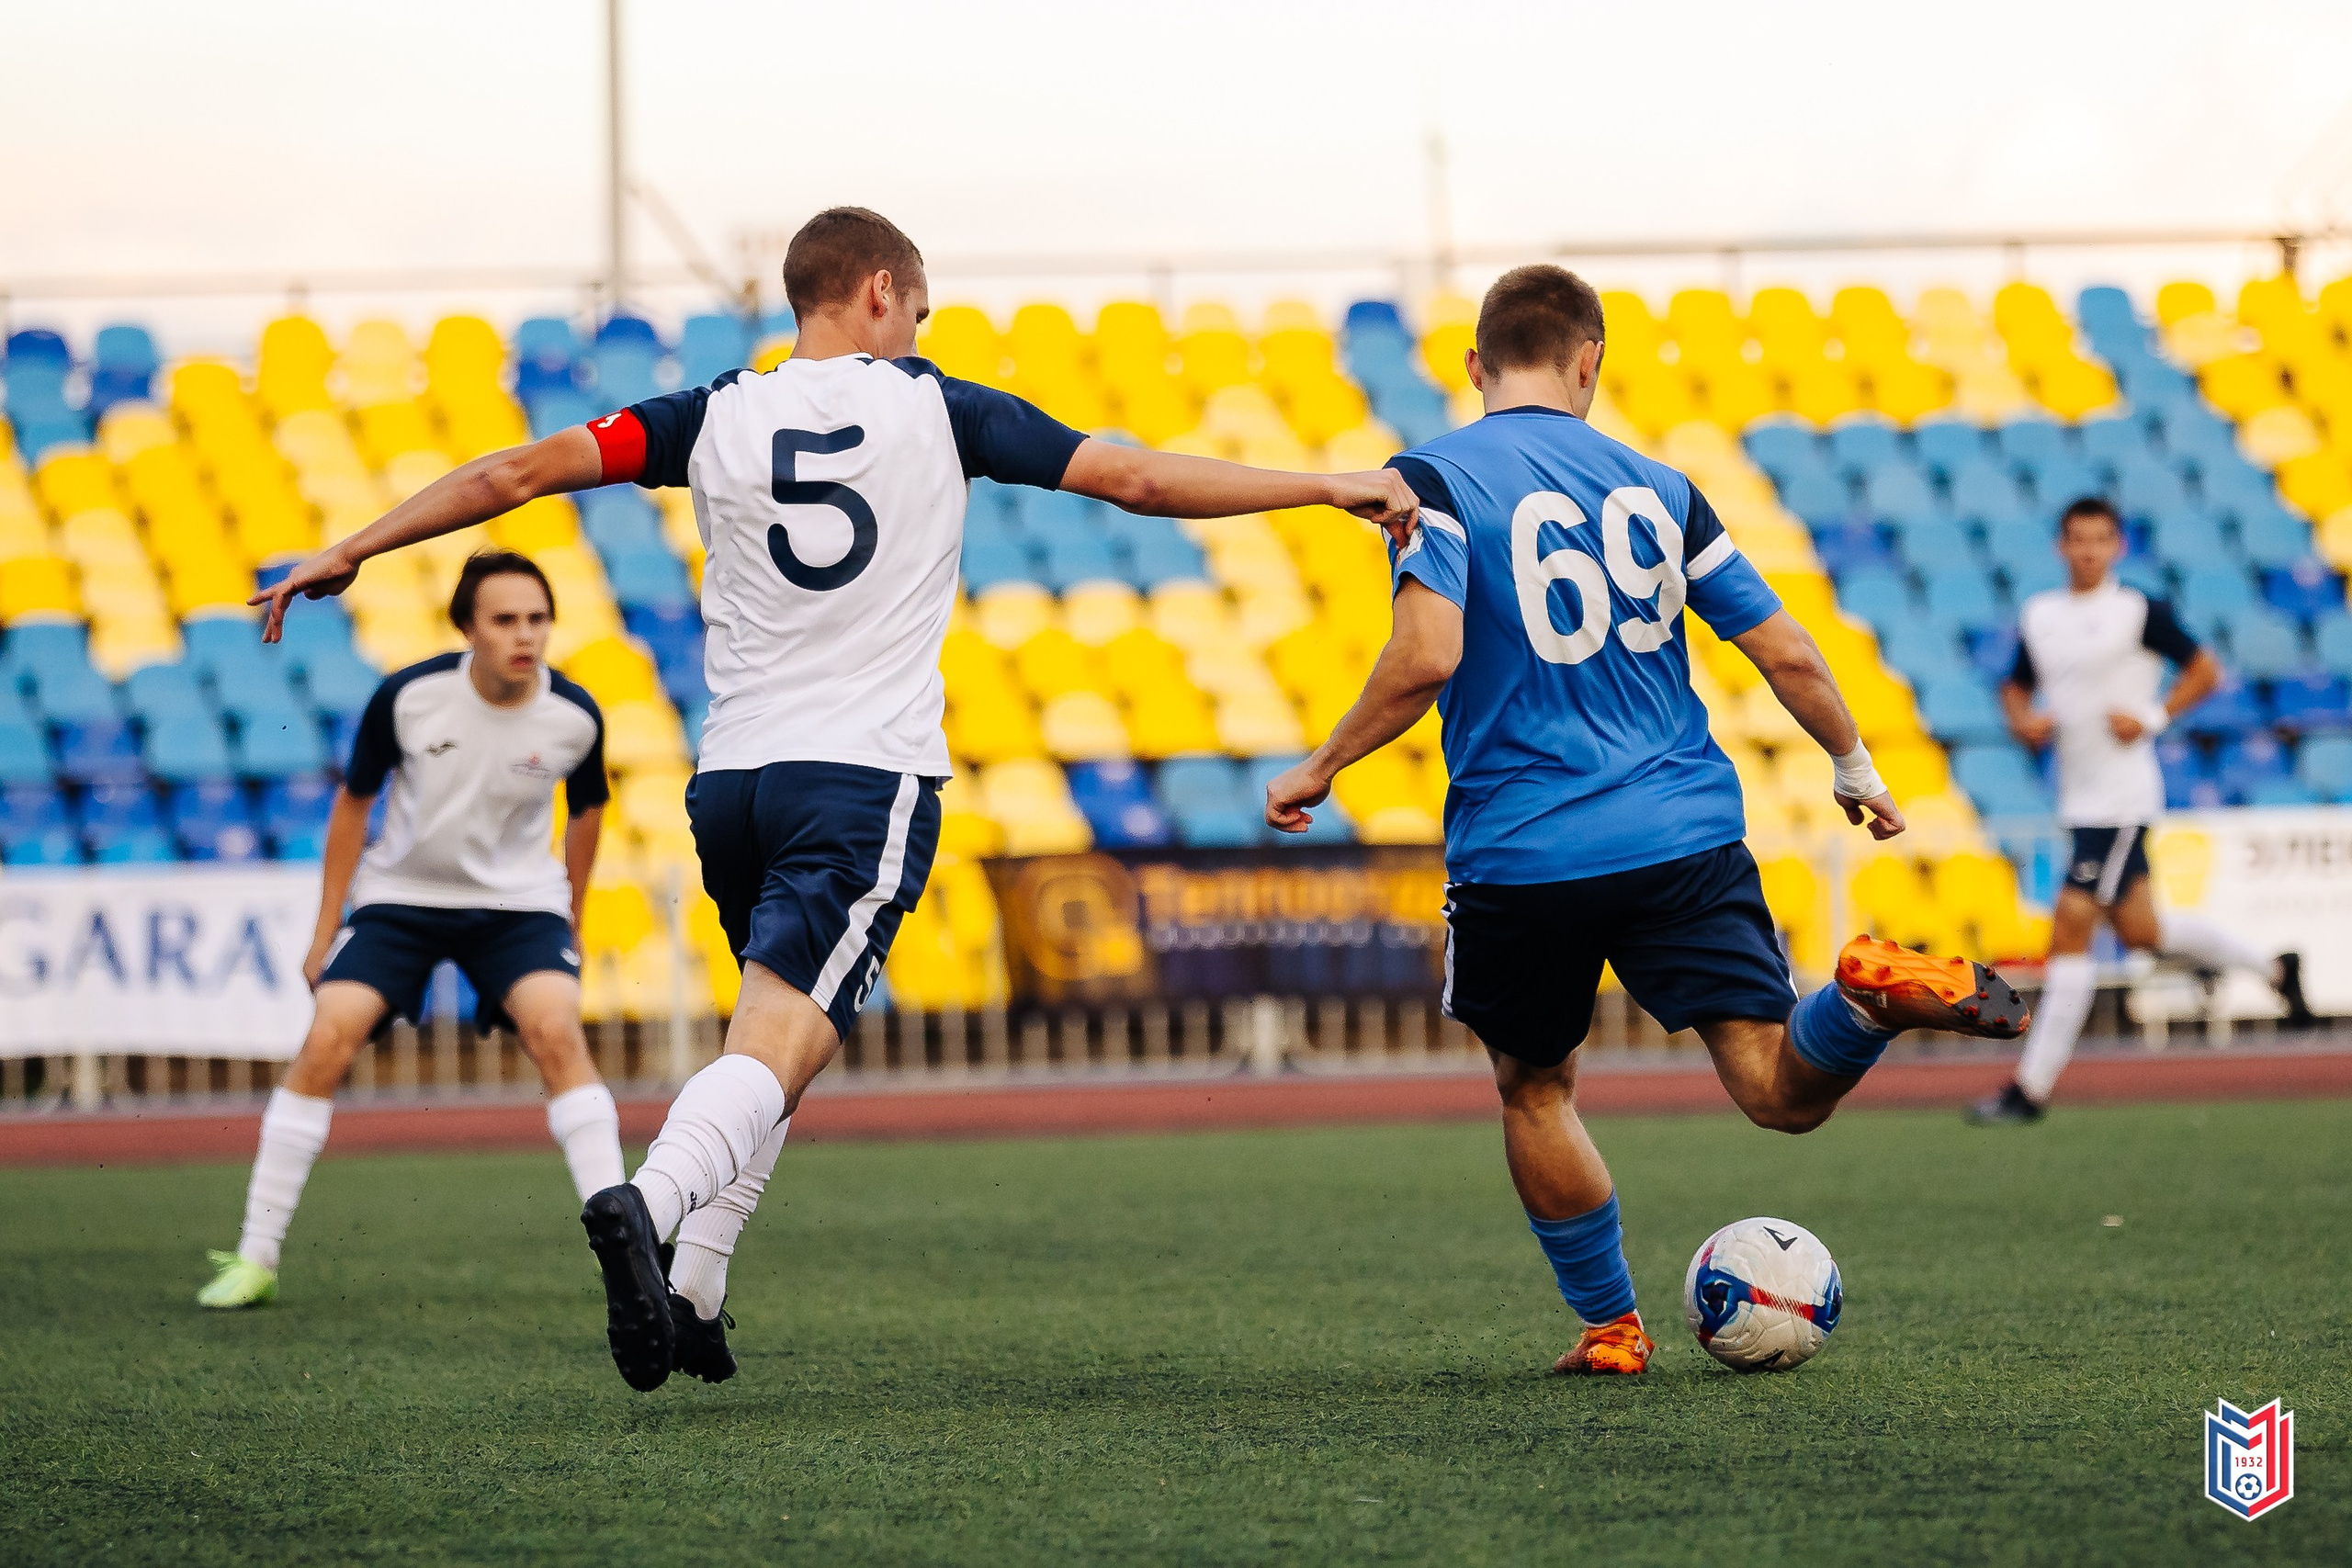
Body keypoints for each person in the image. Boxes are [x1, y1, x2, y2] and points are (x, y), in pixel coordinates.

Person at [248, 207, 1421, 1389]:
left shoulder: (710, 413)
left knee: (774, 1043)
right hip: (862, 777)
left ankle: (698, 1287)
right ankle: (645, 1206)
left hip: (735, 783)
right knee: (780, 1048)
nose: (920, 327)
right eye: (917, 306)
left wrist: (357, 546)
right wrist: (1319, 485)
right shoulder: (936, 404)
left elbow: (513, 472)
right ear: (874, 291)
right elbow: (1132, 478)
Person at [1262, 265, 2034, 1376]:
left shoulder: (1427, 480)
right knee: (1775, 1090)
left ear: (1474, 367)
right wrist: (1852, 764)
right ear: (1590, 363)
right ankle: (1862, 1000)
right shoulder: (1664, 489)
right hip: (1681, 831)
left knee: (1534, 1086)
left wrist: (1322, 763)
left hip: (1524, 851)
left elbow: (1426, 657)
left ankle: (1612, 1327)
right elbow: (1783, 648)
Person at [199, 551, 622, 1309]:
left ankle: (629, 1259)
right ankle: (255, 1256)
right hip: (401, 899)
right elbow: (354, 805)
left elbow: (587, 812)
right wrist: (325, 929)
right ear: (467, 628)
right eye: (505, 619)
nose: (525, 635)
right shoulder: (409, 696)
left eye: (537, 618)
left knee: (558, 1032)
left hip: (518, 907)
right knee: (328, 1036)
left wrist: (573, 917)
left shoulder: (575, 715)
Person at [1967, 496, 2313, 1125]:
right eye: (2077, 538)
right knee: (2143, 934)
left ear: (2117, 546)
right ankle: (2274, 967)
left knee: (2070, 922)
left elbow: (2205, 669)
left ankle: (2030, 1088)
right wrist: (2024, 722)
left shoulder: (2137, 610)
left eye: (2100, 538)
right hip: (2078, 795)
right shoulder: (2041, 614)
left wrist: (2153, 716)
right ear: (2060, 546)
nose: (2088, 549)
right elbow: (2014, 684)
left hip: (2124, 799)